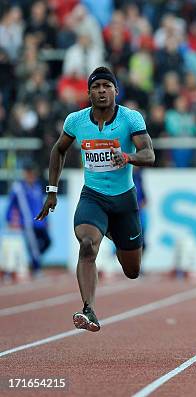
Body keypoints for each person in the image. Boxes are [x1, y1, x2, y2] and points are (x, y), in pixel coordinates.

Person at [35, 66, 155, 332]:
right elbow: (58, 150)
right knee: (88, 245)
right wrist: (52, 191)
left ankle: (113, 231)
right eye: (96, 87)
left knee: (132, 270)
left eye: (107, 86)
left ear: (116, 91)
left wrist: (128, 157)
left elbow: (149, 154)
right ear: (88, 92)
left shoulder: (130, 119)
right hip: (93, 197)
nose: (102, 91)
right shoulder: (75, 121)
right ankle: (88, 309)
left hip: (124, 201)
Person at [5, 162, 51, 277]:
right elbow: (11, 205)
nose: (31, 176)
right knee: (34, 247)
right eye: (29, 173)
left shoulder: (37, 186)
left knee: (47, 242)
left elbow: (42, 204)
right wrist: (9, 219)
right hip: (28, 223)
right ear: (25, 174)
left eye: (33, 173)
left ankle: (34, 260)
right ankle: (36, 269)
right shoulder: (19, 188)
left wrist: (47, 220)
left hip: (40, 222)